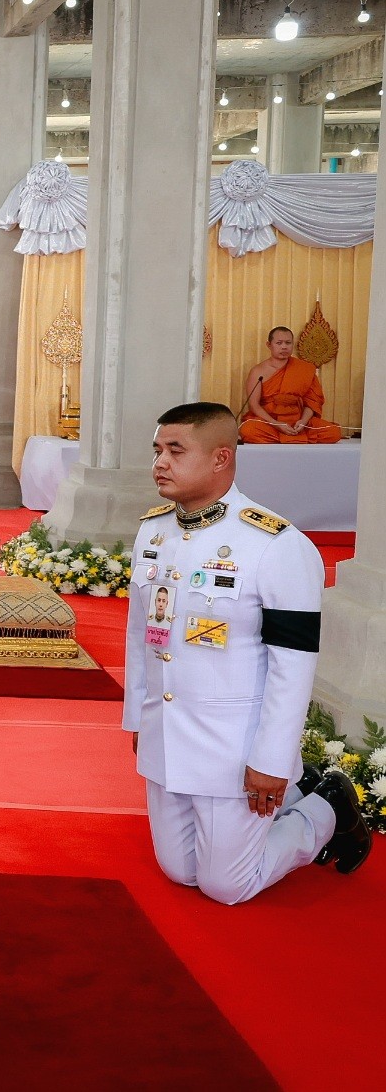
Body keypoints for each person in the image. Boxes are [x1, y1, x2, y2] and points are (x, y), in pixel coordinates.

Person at [126, 401, 370, 904]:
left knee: (227, 886)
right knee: (179, 871)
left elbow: (292, 664)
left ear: (221, 457)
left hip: (232, 745)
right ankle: (299, 796)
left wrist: (272, 759)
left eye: (175, 451)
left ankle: (325, 808)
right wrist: (139, 719)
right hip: (167, 734)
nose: (160, 463)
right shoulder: (154, 531)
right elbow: (139, 634)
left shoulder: (274, 544)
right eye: (157, 450)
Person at [238, 327, 343, 444]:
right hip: (270, 421)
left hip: (297, 420)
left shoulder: (304, 369)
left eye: (288, 343)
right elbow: (254, 405)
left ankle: (290, 436)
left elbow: (312, 402)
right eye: (279, 343)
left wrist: (303, 421)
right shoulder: (258, 371)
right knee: (248, 430)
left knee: (334, 432)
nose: (284, 347)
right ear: (269, 345)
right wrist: (276, 424)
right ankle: (295, 438)